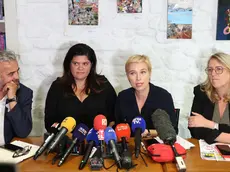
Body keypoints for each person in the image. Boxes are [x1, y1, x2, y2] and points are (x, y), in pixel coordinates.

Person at [44, 43, 117, 131]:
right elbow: (49, 122)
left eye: (85, 64)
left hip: (98, 142)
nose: (80, 68)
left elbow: (115, 118)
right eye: (76, 63)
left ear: (92, 65)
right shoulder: (57, 87)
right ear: (69, 64)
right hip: (65, 142)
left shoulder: (103, 85)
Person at [115, 55, 178, 137]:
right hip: (130, 146)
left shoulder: (164, 97)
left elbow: (173, 131)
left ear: (150, 73)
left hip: (157, 145)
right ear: (127, 76)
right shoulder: (122, 97)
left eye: (143, 72)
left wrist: (148, 132)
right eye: (132, 73)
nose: (138, 78)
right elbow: (117, 127)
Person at [189, 52, 230, 144]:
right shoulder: (201, 92)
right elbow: (195, 128)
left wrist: (209, 124)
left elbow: (203, 127)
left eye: (219, 69)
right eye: (210, 69)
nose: (213, 74)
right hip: (207, 151)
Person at [0, 50, 33, 145]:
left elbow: (23, 132)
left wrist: (12, 99)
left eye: (17, 71)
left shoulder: (24, 93)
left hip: (7, 153)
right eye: (11, 74)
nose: (17, 77)